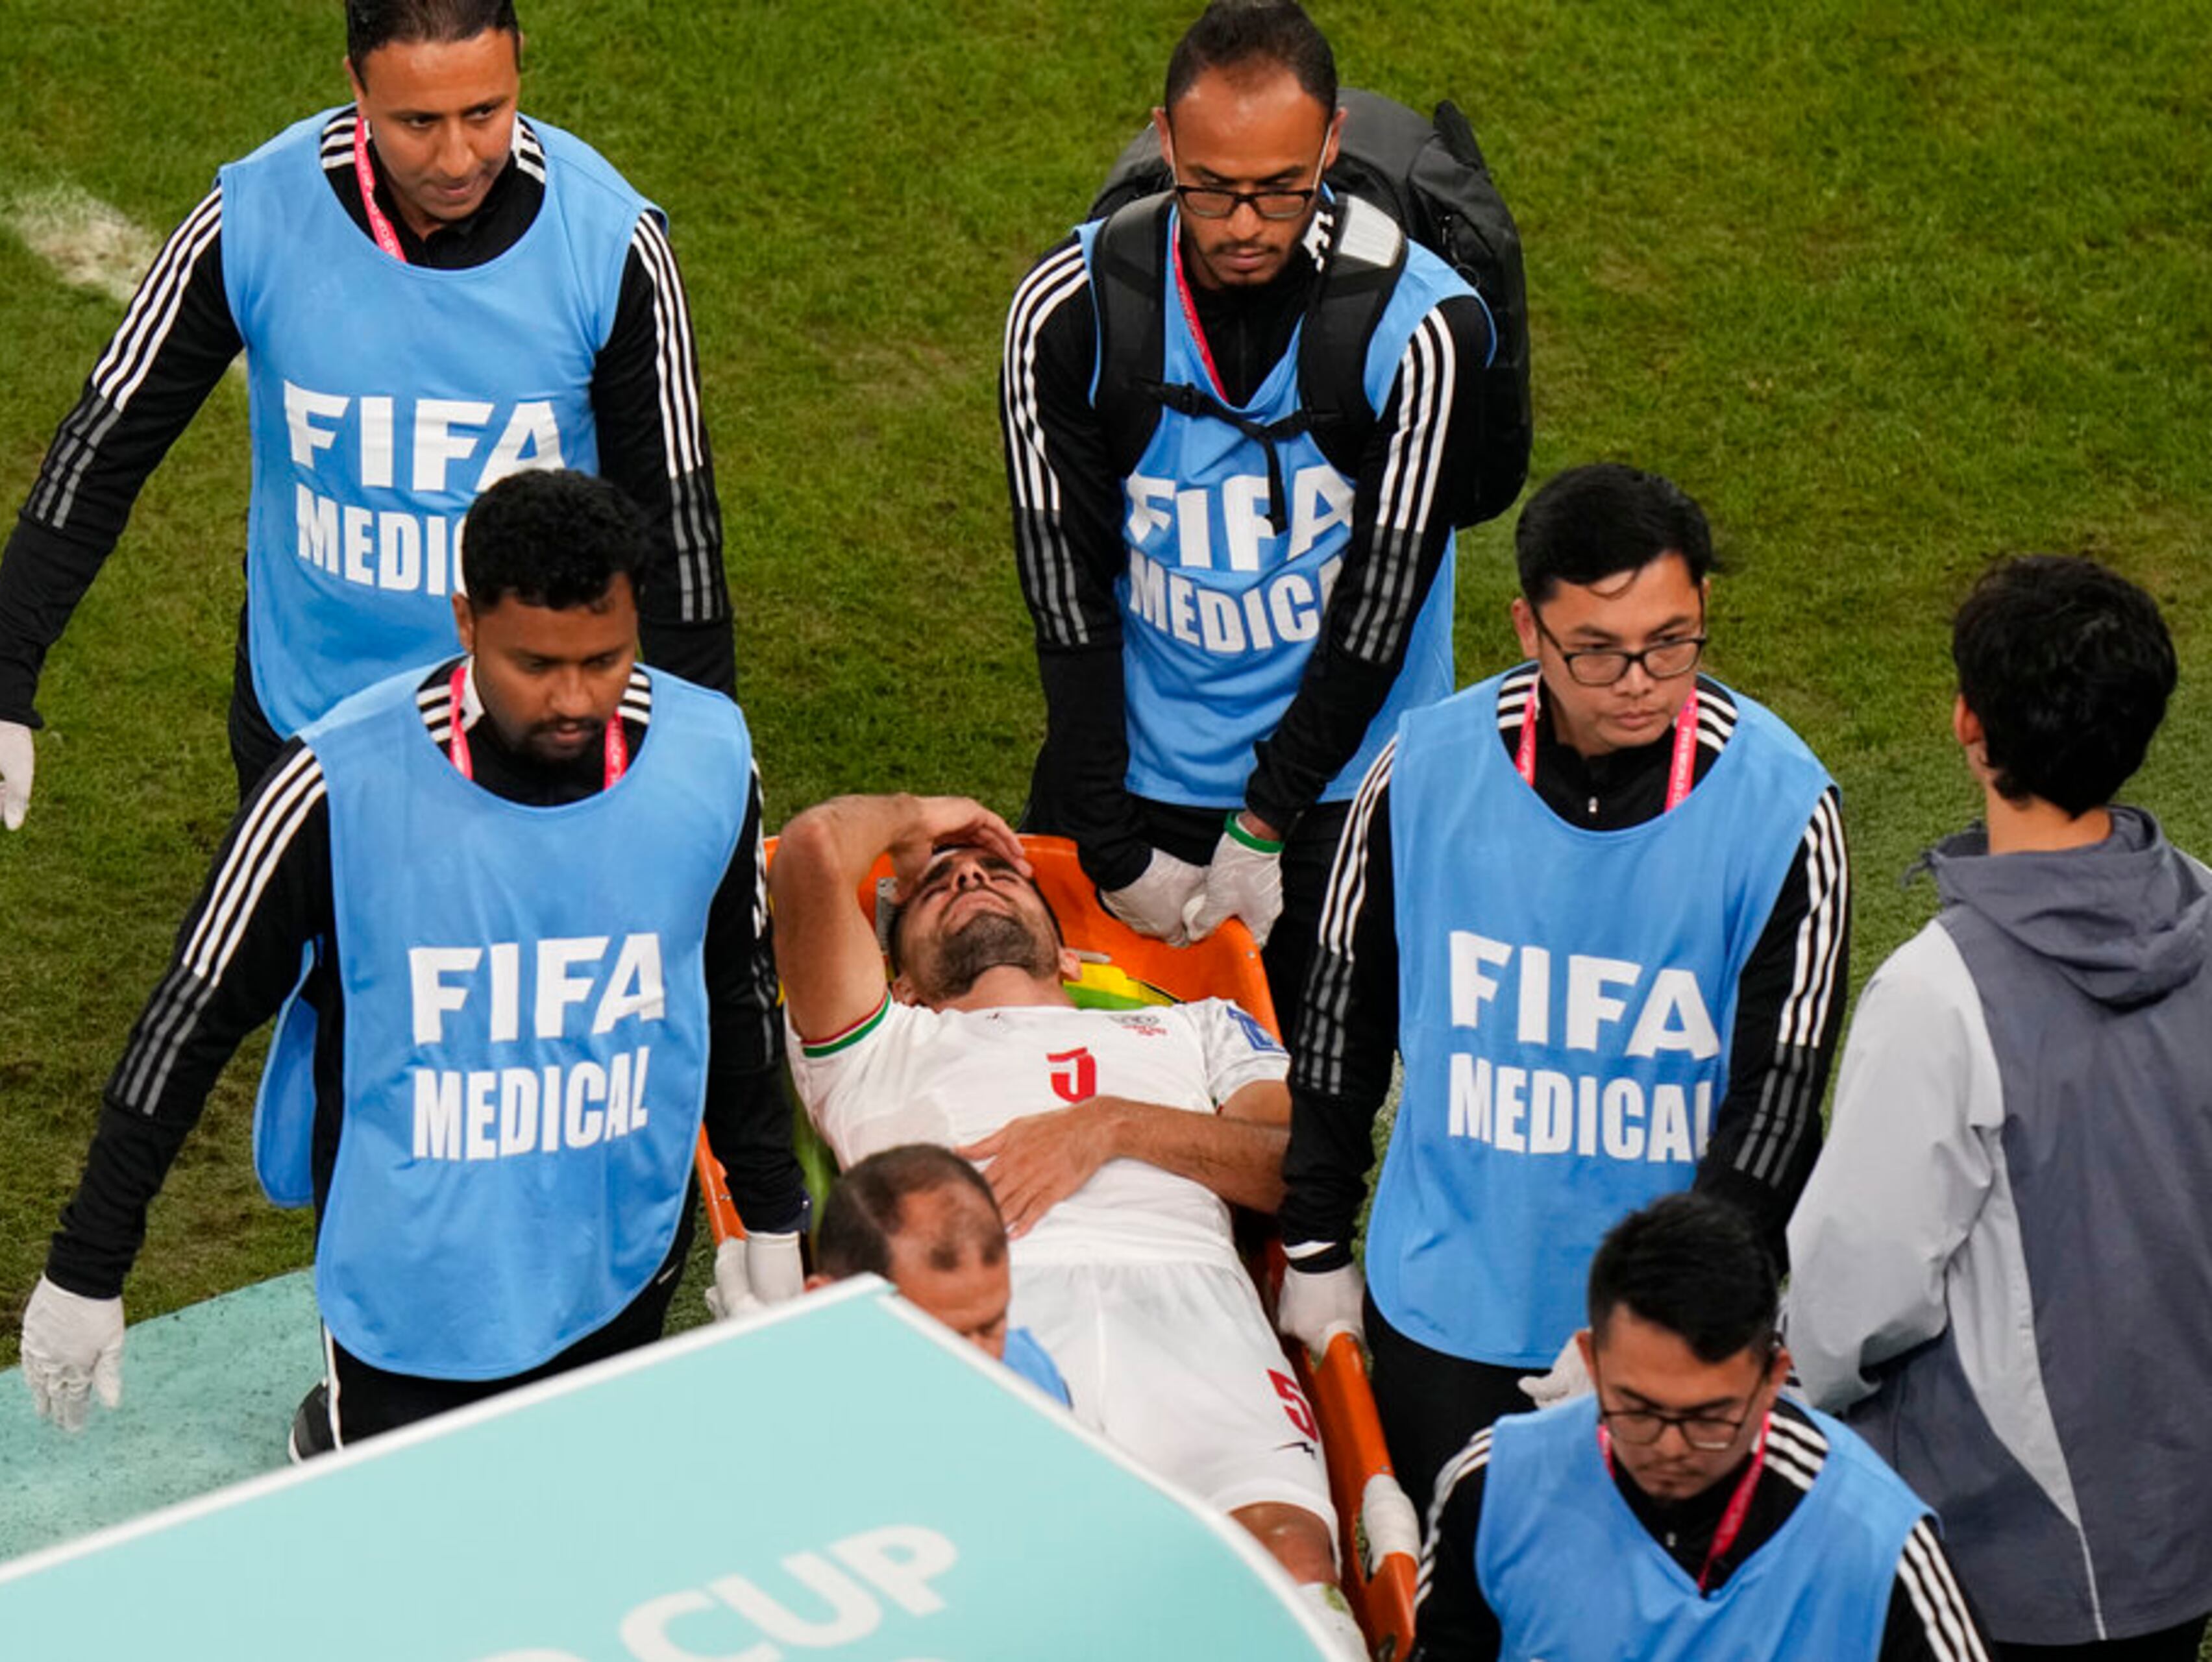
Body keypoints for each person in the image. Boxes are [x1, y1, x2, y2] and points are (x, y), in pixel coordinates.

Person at [16, 469, 804, 1454]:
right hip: (415, 1292)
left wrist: (773, 1218)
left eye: (604, 659)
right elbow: (193, 1016)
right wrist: (88, 1264)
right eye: (536, 664)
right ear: (465, 621)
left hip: (621, 1249)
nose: (574, 699)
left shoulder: (711, 754)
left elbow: (733, 992)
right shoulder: (334, 783)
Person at [0, 0, 735, 827]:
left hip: (532, 744)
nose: (457, 158)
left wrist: (705, 779)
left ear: (519, 64)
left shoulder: (610, 242)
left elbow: (677, 528)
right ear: (356, 84)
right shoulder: (251, 217)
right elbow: (104, 449)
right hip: (304, 740)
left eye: (485, 112)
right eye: (418, 121)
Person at [1274, 463, 1851, 1505]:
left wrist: (1661, 1322)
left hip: (1672, 1354)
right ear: (1527, 630)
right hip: (1449, 1312)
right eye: (1597, 651)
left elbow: (1777, 1104)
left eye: (1671, 642)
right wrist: (1315, 1241)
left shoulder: (1784, 805)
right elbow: (1339, 1015)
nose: (1639, 679)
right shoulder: (1423, 770)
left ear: (1705, 608)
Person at [772, 792, 1364, 1659]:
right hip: (978, 1316)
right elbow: (814, 850)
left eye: (999, 872)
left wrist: (1113, 1125)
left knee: (1283, 1564)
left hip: (1193, 1309)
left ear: (1067, 949)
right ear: (896, 973)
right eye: (938, 883)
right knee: (1014, 1599)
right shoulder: (877, 1044)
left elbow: (1298, 1167)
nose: (971, 874)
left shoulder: (1193, 1026)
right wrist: (913, 822)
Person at [1002, 0, 1492, 1033]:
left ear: (1332, 145)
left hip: (1339, 786)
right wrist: (1109, 843)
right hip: (1130, 777)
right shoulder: (1066, 310)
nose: (1242, 225)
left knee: (1305, 1133)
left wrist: (1265, 823)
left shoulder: (1423, 329)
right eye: (1211, 188)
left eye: (1280, 189)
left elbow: (1379, 610)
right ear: (1164, 138)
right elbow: (1067, 592)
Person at [1787, 556, 2209, 1659]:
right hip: (2185, 1529)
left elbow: (1849, 1303)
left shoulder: (1939, 994)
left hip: (2003, 1559)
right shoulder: (2209, 915)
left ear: (1970, 724)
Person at [1413, 1192, 1989, 1661]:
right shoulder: (1494, 1488)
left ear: (1773, 1377)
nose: (1671, 1447)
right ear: (1590, 1363)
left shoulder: (1877, 1544)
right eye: (1637, 1410)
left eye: (1710, 1417)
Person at [808, 1143, 1072, 1406]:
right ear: (830, 1309)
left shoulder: (1032, 1377)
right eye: (947, 1341)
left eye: (991, 1327)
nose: (982, 1369)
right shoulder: (788, 1432)